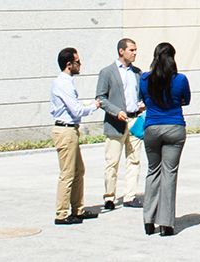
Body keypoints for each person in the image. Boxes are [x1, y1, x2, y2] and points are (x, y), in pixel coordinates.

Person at [139, 42, 191, 237]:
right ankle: (166, 224)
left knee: (153, 171)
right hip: (175, 127)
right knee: (169, 173)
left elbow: (143, 99)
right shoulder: (180, 79)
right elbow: (186, 99)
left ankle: (148, 220)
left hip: (151, 127)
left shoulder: (144, 79)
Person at [50, 47, 101, 226]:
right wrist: (94, 106)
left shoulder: (67, 82)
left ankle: (77, 209)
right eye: (78, 62)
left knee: (79, 170)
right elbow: (76, 109)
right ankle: (62, 213)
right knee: (67, 173)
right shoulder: (63, 83)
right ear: (69, 64)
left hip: (70, 129)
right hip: (65, 131)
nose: (80, 65)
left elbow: (75, 108)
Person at [95, 37, 145, 210]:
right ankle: (109, 197)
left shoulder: (138, 73)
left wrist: (142, 104)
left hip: (134, 120)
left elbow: (141, 95)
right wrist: (116, 112)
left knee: (134, 160)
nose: (135, 53)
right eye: (132, 50)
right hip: (116, 122)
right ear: (121, 51)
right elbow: (101, 98)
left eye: (136, 49)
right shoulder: (107, 72)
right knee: (112, 162)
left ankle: (130, 196)